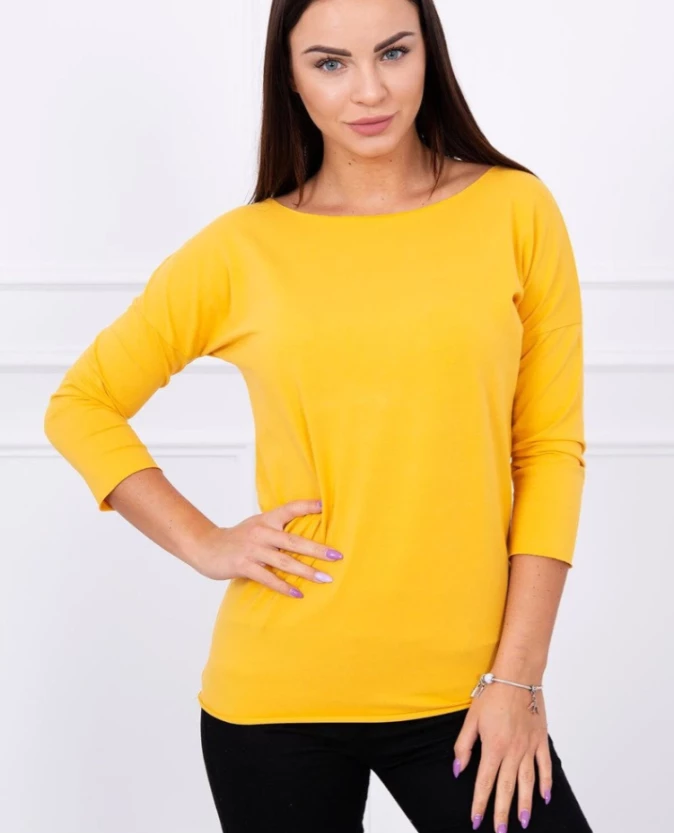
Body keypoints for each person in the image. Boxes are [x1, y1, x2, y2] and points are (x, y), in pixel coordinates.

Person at [43, 0, 595, 830]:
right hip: (277, 699)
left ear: (429, 54)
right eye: (331, 63)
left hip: (472, 693)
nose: (369, 90)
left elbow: (548, 449)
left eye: (393, 53)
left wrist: (518, 676)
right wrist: (204, 540)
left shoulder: (516, 210)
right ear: (291, 77)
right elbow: (80, 404)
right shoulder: (243, 249)